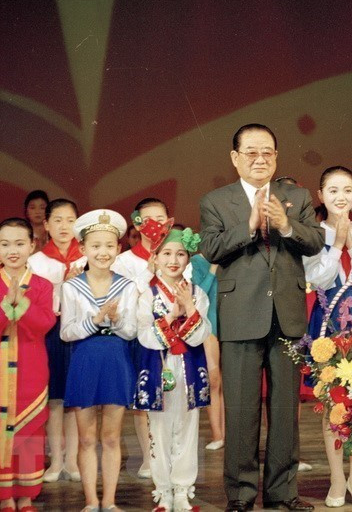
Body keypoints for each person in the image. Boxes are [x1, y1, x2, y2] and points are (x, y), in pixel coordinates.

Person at [199, 123, 323, 512]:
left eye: (267, 152)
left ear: (276, 157)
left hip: (286, 314)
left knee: (285, 410)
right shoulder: (217, 201)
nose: (260, 159)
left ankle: (283, 493)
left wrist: (286, 225)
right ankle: (240, 494)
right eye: (251, 152)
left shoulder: (296, 196)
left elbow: (316, 240)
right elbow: (212, 248)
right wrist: (250, 225)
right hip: (240, 315)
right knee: (241, 410)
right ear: (235, 158)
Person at [61, 209, 138, 512]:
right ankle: (91, 501)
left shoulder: (128, 286)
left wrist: (116, 320)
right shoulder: (71, 286)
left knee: (110, 437)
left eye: (109, 245)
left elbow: (131, 331)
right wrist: (96, 319)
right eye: (95, 246)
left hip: (116, 361)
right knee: (86, 438)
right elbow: (67, 332)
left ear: (118, 249)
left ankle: (109, 501)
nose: (102, 252)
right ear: (83, 249)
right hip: (85, 361)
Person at [302, 166, 352, 508]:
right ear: (320, 195)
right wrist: (337, 244)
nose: (340, 197)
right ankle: (336, 477)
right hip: (328, 321)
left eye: (347, 190)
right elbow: (318, 277)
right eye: (333, 190)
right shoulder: (312, 233)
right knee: (333, 405)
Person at [0, 218, 56, 511]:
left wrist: (21, 304)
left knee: (30, 431)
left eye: (20, 243)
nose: (13, 250)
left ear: (32, 246)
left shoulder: (42, 286)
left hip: (32, 371)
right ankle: (5, 497)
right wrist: (5, 305)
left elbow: (44, 324)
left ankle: (26, 496)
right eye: (5, 244)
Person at [135, 228, 211, 512]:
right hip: (158, 369)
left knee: (188, 427)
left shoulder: (197, 293)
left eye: (180, 254)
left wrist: (190, 307)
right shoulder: (147, 295)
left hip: (188, 369)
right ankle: (163, 490)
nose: (174, 260)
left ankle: (182, 490)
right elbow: (143, 335)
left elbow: (200, 335)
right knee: (159, 428)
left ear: (188, 258)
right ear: (154, 258)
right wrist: (171, 317)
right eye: (166, 253)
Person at [112, 197, 172, 480]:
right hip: (140, 337)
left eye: (162, 219)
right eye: (149, 220)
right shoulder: (123, 260)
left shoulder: (175, 252)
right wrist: (148, 269)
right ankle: (149, 457)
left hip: (174, 335)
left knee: (174, 395)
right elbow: (124, 299)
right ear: (137, 223)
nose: (156, 225)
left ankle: (170, 454)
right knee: (143, 400)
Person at [27, 199, 85, 483]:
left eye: (70, 220)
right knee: (53, 400)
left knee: (74, 399)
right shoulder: (36, 262)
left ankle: (73, 461)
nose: (64, 226)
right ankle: (56, 460)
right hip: (49, 333)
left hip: (79, 333)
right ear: (47, 225)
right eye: (58, 220)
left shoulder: (86, 258)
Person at [190, 253, 225, 451]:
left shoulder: (232, 257)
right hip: (209, 323)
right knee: (213, 380)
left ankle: (229, 434)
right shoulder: (196, 261)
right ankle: (216, 434)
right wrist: (212, 268)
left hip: (230, 322)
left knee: (229, 381)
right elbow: (197, 294)